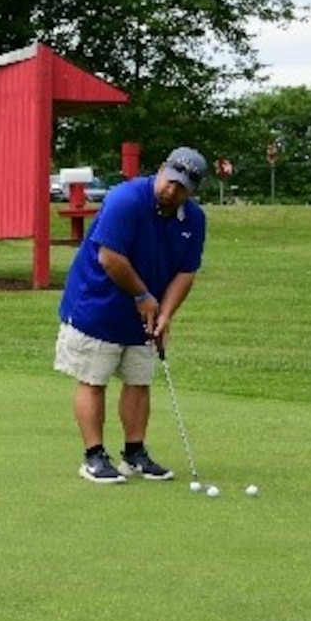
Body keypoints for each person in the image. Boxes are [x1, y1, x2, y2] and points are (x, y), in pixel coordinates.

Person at [54, 147, 208, 484]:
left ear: (192, 191)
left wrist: (165, 313)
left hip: (146, 310)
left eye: (182, 187)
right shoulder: (127, 199)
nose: (172, 190)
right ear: (161, 169)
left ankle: (134, 454)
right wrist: (142, 296)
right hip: (96, 303)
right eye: (170, 180)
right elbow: (111, 258)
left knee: (139, 380)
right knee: (94, 378)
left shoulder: (193, 220)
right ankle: (94, 456)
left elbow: (186, 271)